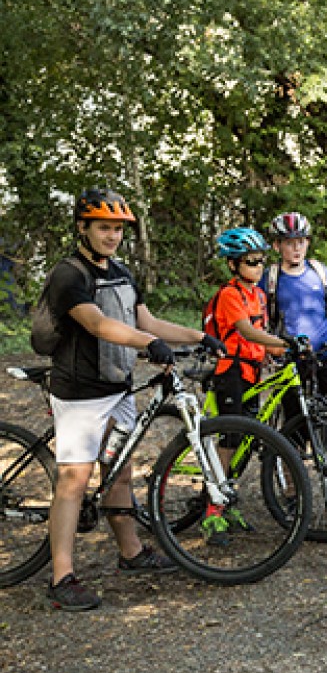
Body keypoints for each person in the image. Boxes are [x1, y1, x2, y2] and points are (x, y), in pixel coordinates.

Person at [41, 189, 225, 610]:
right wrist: (150, 343)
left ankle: (132, 553)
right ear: (82, 228)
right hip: (81, 392)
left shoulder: (121, 273)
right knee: (74, 480)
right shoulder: (69, 275)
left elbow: (148, 322)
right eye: (103, 227)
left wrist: (198, 336)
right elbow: (98, 324)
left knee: (119, 472)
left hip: (118, 386)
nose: (112, 236)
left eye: (118, 229)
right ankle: (61, 576)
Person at [202, 227, 286, 546]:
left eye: (262, 260)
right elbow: (246, 331)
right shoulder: (229, 295)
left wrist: (282, 351)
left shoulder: (259, 295)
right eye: (251, 261)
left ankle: (227, 497)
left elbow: (261, 337)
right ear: (233, 265)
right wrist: (284, 343)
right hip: (231, 371)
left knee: (248, 439)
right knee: (230, 437)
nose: (258, 266)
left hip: (252, 372)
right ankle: (213, 509)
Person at [261, 211, 327, 406]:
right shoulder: (270, 278)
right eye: (290, 243)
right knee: (295, 426)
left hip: (325, 355)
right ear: (278, 245)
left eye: (301, 242)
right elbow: (262, 316)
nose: (297, 248)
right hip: (291, 359)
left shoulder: (319, 271)